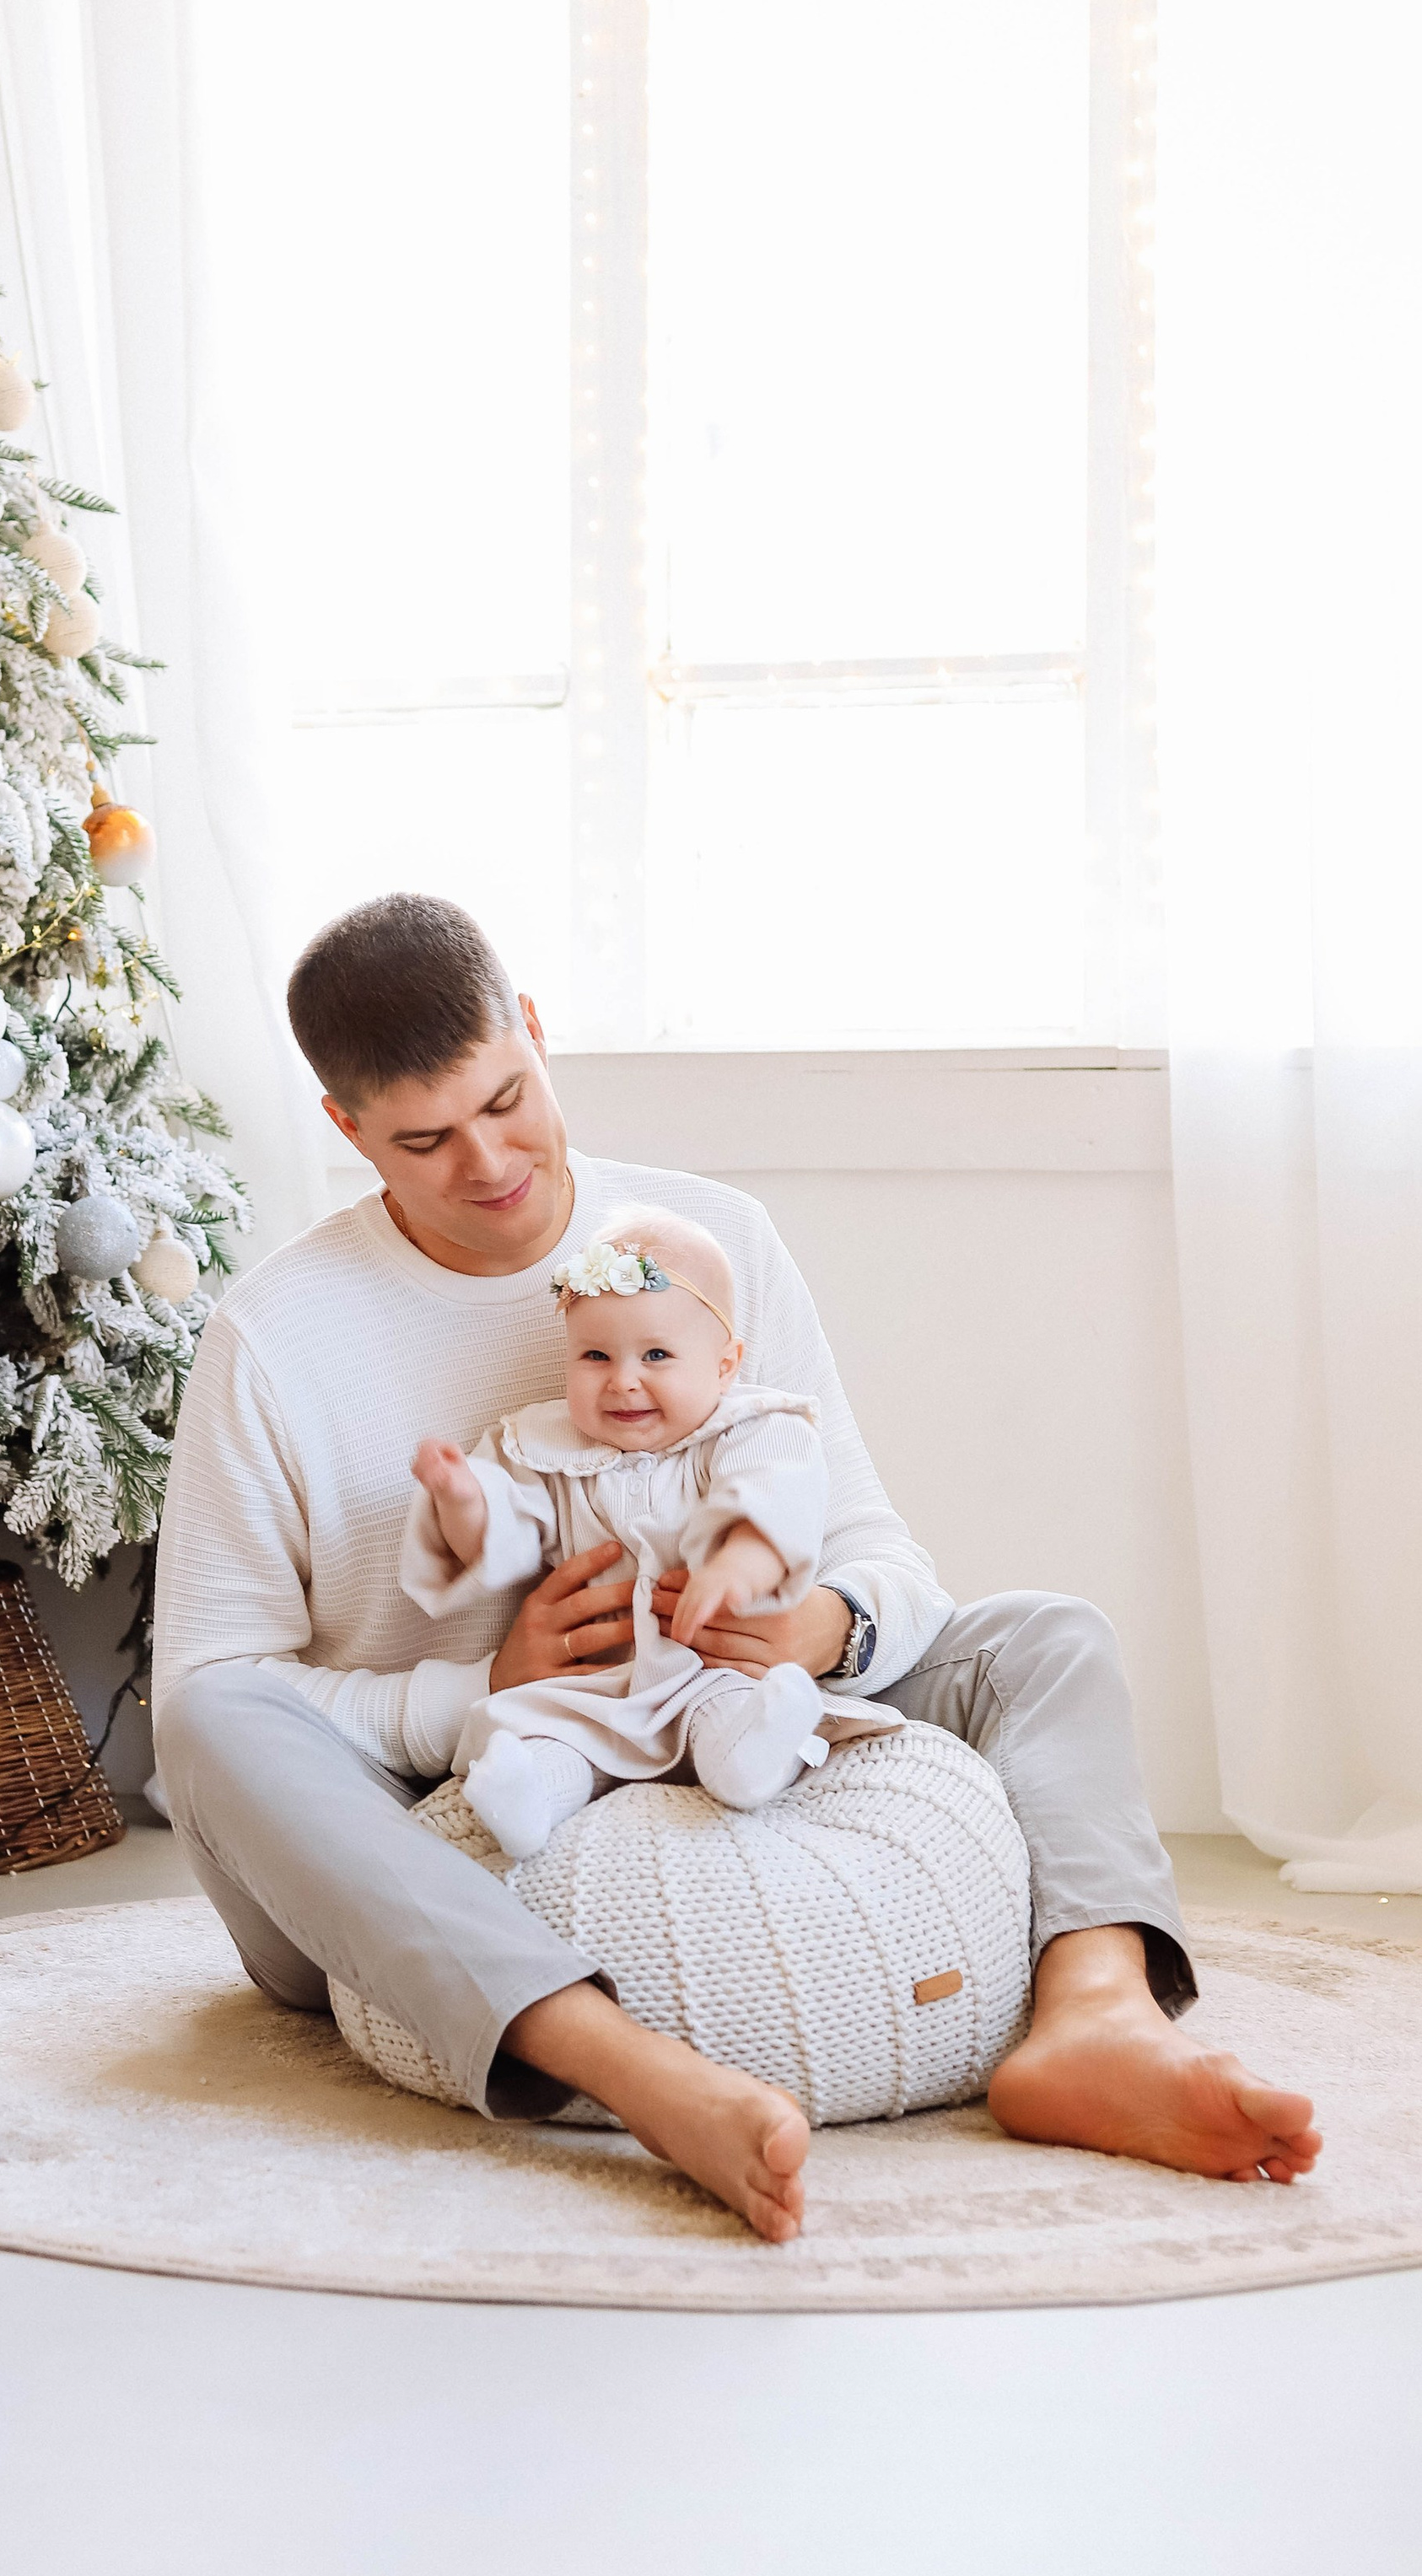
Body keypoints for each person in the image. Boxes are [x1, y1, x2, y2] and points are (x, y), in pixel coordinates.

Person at [153, 894, 1320, 2244]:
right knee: (212, 1723)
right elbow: (220, 1687)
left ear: (532, 1031)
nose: (489, 1163)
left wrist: (820, 1624)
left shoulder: (712, 1243)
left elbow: (878, 1546)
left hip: (721, 1701)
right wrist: (478, 1687)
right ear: (347, 1131)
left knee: (1047, 1640)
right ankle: (634, 2072)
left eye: (509, 1099)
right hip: (430, 1804)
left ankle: (1098, 2024)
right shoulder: (276, 1338)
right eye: (425, 1139)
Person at [404, 1207, 901, 1858]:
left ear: (725, 1365)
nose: (624, 1379)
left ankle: (757, 1754)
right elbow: (506, 1531)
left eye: (657, 1354)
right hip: (598, 1684)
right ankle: (527, 1801)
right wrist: (462, 1497)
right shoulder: (544, 1446)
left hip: (708, 1667)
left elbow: (771, 1492)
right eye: (595, 1355)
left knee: (728, 1714)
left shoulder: (751, 1428)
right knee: (541, 1729)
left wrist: (736, 1566)